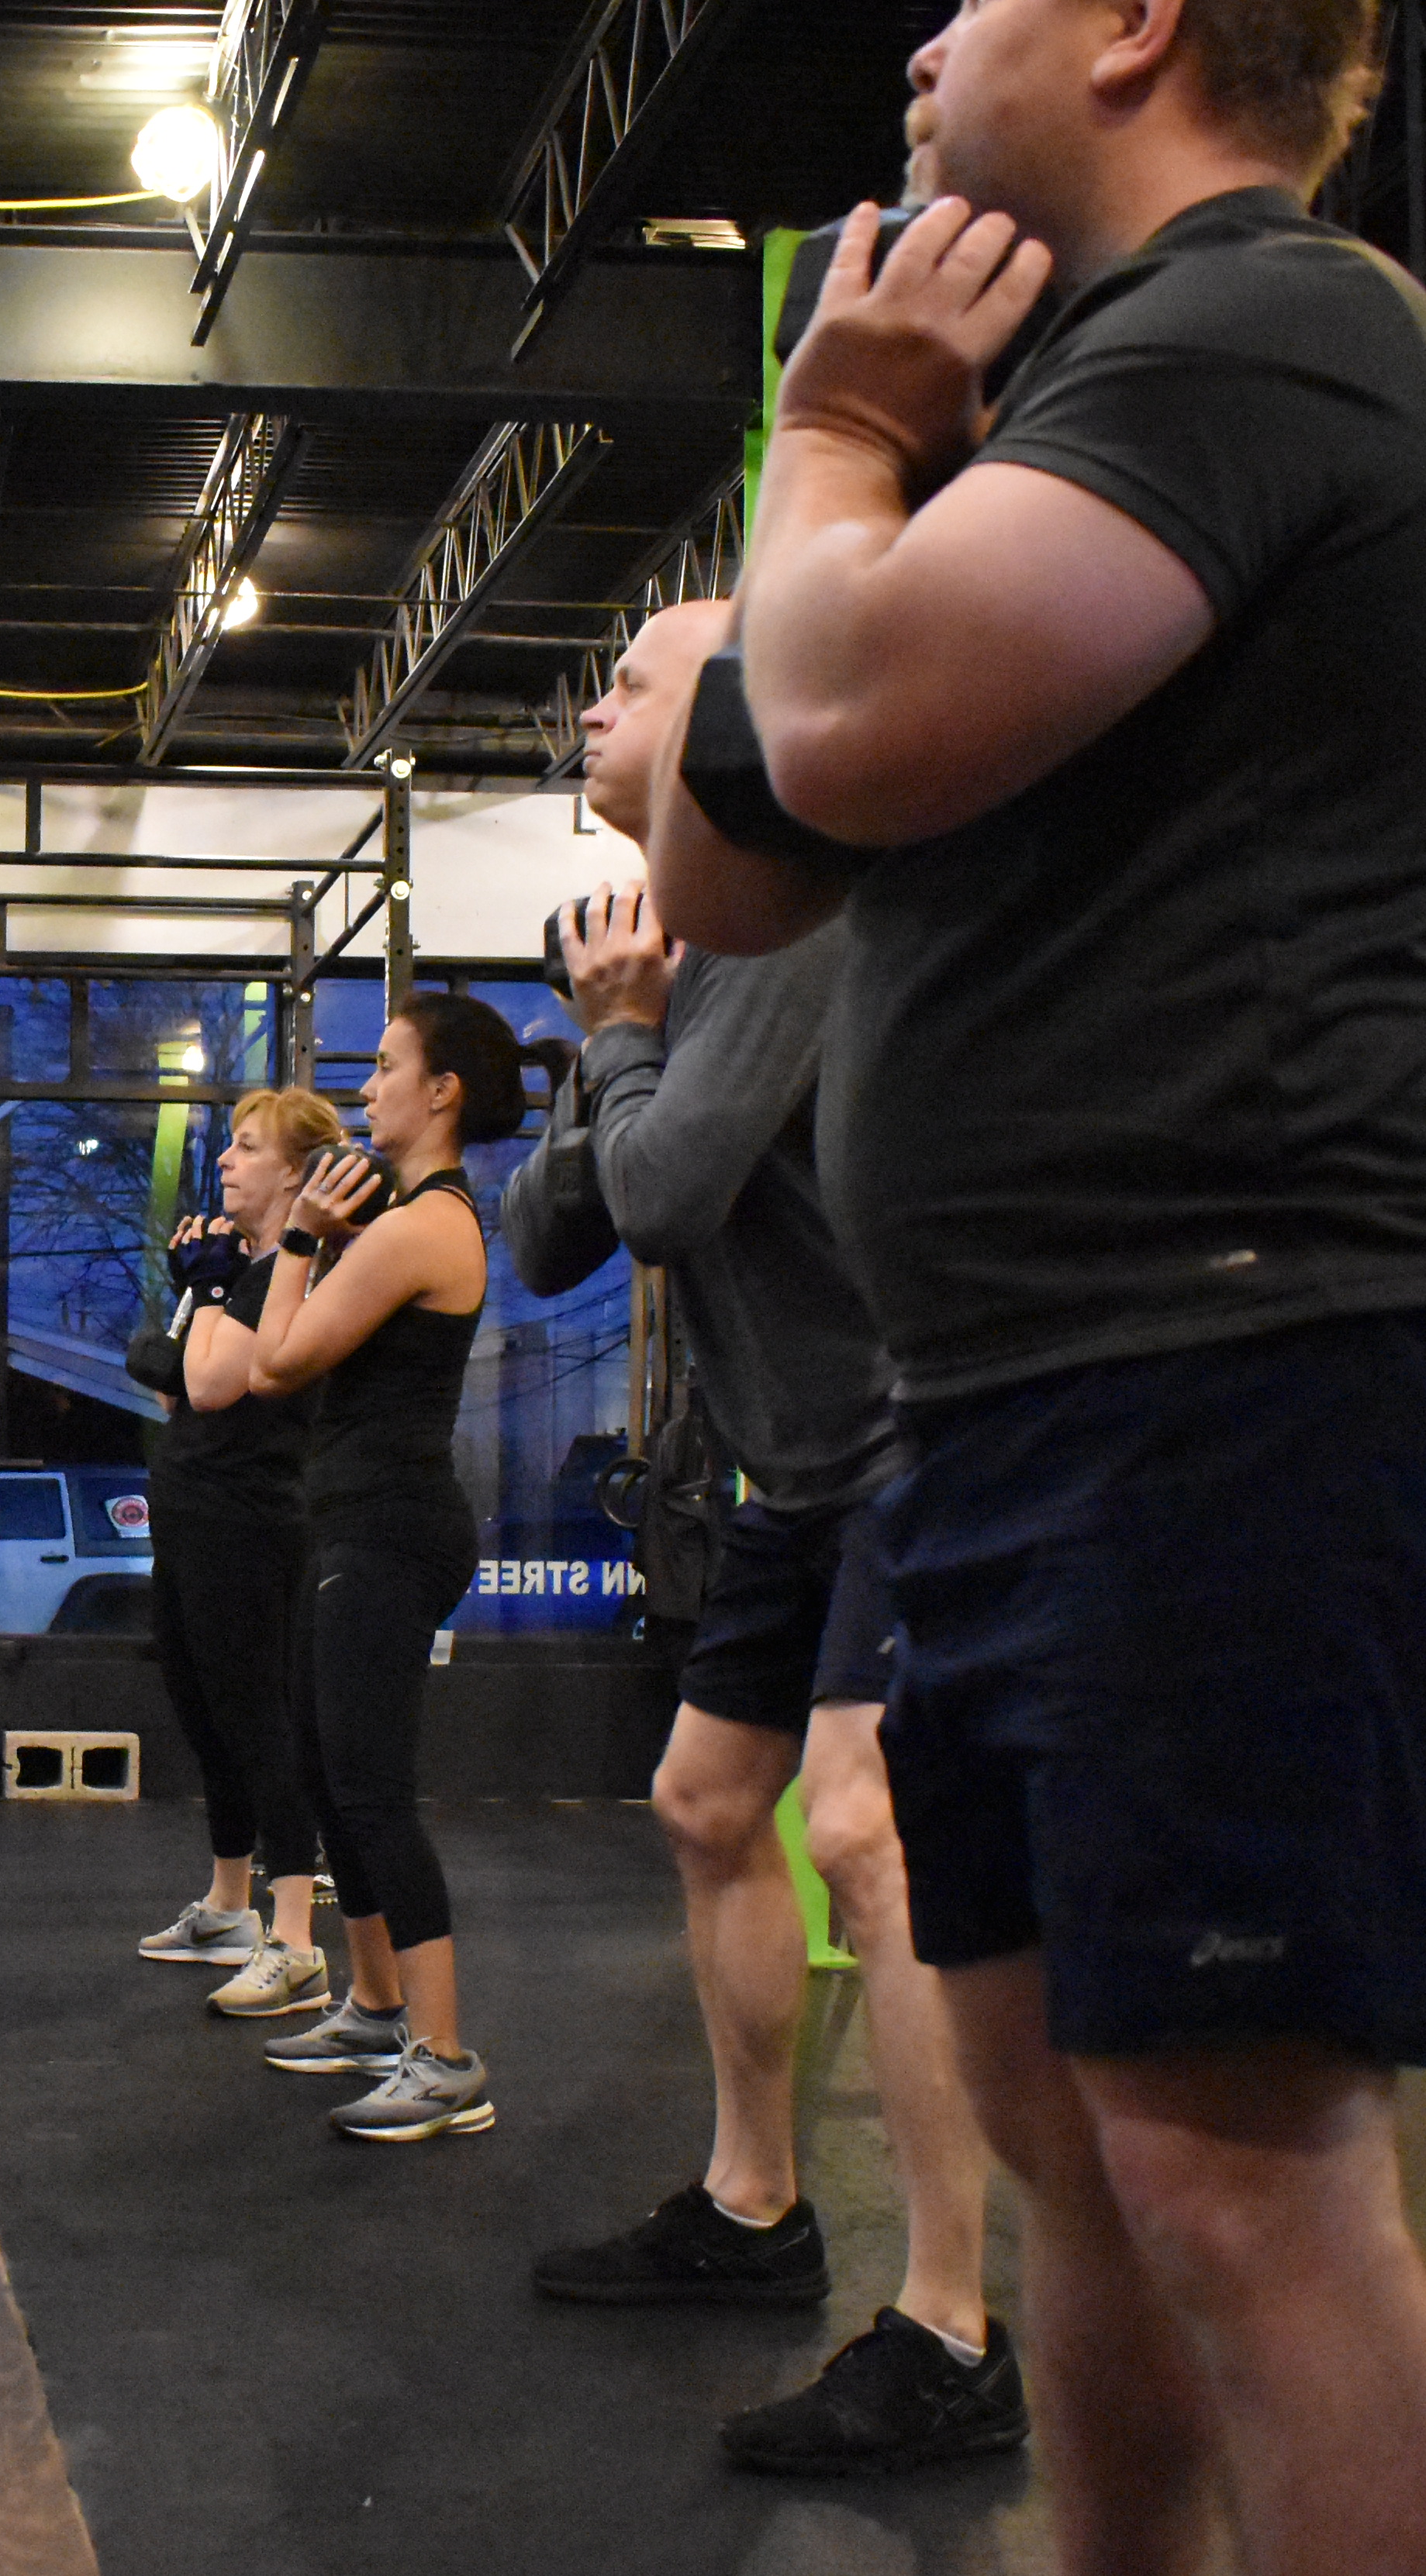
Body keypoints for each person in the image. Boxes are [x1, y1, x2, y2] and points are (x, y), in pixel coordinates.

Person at [644, 2, 1426, 2576]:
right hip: (1042, 1392)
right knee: (1061, 2132)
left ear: (1151, 19)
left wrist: (824, 452)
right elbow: (749, 876)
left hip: (1259, 1358)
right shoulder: (1069, 421)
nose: (911, 42)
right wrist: (777, 646)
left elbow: (840, 720)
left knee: (1248, 2169)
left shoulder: (1256, 331)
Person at [506, 609, 1014, 2476]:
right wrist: (613, 1039)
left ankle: (953, 2324)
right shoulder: (680, 958)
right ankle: (750, 2208)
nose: (590, 698)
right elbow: (550, 1236)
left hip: (917, 1434)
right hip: (793, 1460)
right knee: (709, 1801)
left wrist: (621, 1044)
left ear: (730, 717)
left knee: (867, 1837)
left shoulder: (799, 921)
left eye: (624, 678)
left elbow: (656, 1194)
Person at [244, 993, 521, 2143]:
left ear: (442, 1091)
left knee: (367, 1785)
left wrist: (303, 1238)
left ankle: (446, 2057)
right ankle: (372, 2004)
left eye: (386, 1066)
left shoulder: (423, 1226)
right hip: (356, 1519)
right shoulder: (405, 1219)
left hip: (392, 1530)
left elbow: (277, 1363)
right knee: (321, 1766)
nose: (366, 1089)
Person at [128, 1086, 343, 2019]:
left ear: (295, 1174)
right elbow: (168, 1385)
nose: (225, 1161)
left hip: (251, 1523)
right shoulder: (240, 1274)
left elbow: (208, 1383)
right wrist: (195, 1295)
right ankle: (228, 1906)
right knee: (205, 1712)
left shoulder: (289, 1279)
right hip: (190, 1512)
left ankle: (293, 1934)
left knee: (260, 1720)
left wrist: (205, 1296)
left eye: (248, 1148)